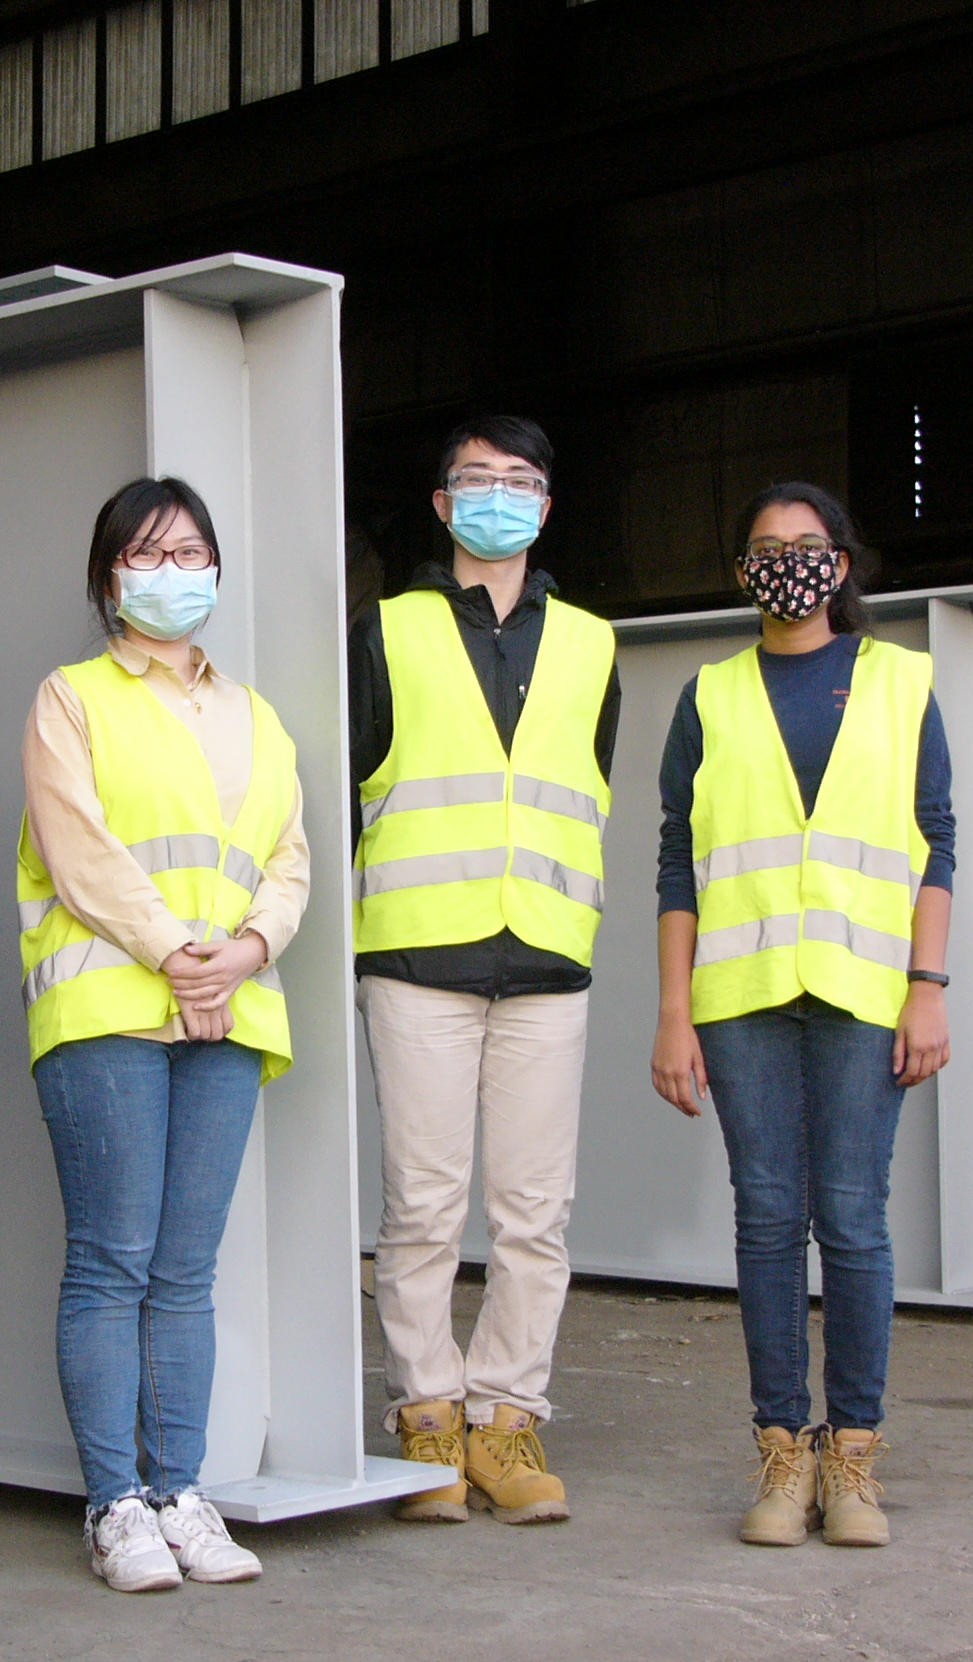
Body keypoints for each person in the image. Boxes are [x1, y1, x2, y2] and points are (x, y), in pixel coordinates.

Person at [648, 480, 955, 1549]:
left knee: (855, 1222)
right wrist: (672, 1014)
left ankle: (853, 1458)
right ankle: (783, 1451)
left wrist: (930, 986)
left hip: (868, 996)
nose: (789, 561)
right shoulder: (710, 694)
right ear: (744, 571)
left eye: (807, 544)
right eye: (767, 546)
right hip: (742, 1002)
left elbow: (935, 843)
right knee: (771, 1221)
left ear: (841, 561)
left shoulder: (902, 683)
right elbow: (678, 863)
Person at [18, 477, 311, 1592]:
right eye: (147, 554)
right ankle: (113, 1507)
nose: (172, 571)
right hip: (108, 1007)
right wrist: (180, 955)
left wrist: (247, 948)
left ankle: (178, 1492)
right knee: (111, 1262)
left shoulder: (258, 715)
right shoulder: (72, 696)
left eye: (192, 552)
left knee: (186, 1271)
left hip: (230, 1010)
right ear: (107, 580)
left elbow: (288, 857)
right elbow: (77, 846)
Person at [350, 415, 620, 1524]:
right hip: (417, 956)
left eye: (521, 481)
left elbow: (588, 783)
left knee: (533, 1213)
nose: (499, 496)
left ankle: (507, 1422)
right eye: (477, 479)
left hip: (547, 962)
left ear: (547, 507)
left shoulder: (594, 643)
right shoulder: (386, 631)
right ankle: (427, 1416)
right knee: (422, 1206)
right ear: (442, 503)